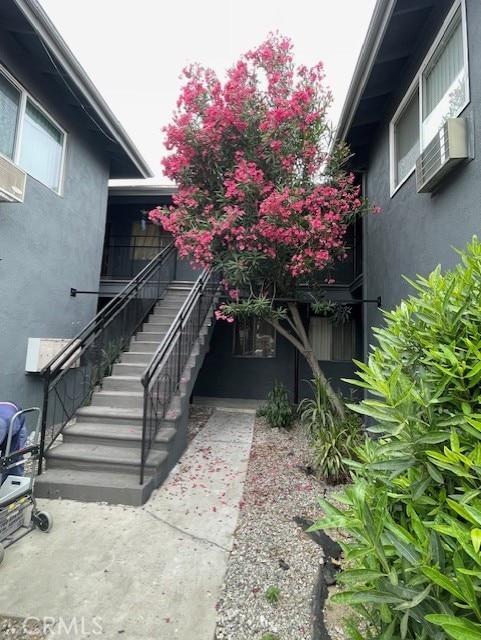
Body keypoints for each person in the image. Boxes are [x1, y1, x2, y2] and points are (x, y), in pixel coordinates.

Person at [0, 401, 28, 483]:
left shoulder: (13, 426)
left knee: (15, 457)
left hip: (15, 414)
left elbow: (11, 454)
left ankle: (13, 484)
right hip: (4, 410)